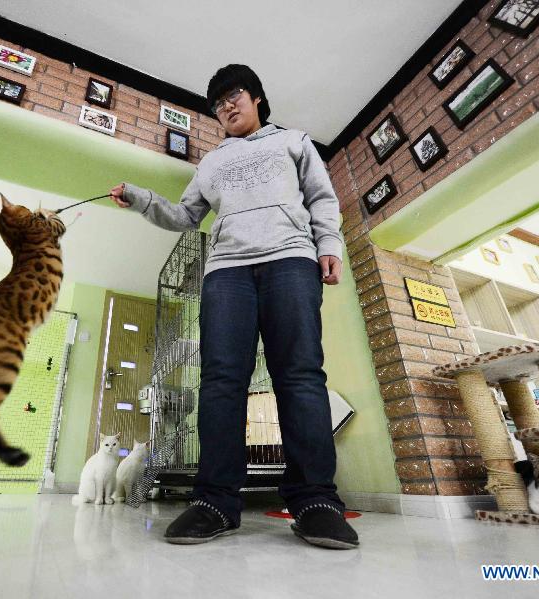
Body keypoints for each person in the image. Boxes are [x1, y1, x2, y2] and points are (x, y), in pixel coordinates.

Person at [110, 64, 358, 550]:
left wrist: (329, 243)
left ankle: (316, 502)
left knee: (301, 376)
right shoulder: (210, 163)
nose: (226, 106)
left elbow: (322, 199)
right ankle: (215, 501)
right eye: (217, 102)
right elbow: (186, 216)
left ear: (257, 98)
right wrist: (141, 200)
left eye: (234, 95)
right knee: (221, 381)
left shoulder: (294, 142)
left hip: (290, 258)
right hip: (227, 271)